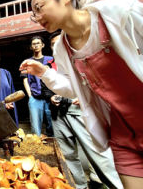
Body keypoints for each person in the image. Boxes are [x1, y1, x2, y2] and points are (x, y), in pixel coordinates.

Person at [20, 0, 143, 189]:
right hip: (125, 136)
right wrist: (44, 72)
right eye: (34, 14)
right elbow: (73, 88)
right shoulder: (62, 48)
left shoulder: (118, 13)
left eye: (39, 8)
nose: (38, 17)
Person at [48, 33, 123, 189]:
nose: (56, 47)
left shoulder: (81, 58)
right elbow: (47, 88)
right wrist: (52, 96)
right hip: (58, 114)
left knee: (97, 153)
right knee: (67, 154)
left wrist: (85, 97)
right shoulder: (51, 64)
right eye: (53, 44)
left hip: (78, 110)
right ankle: (79, 185)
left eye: (58, 43)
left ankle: (116, 185)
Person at [21, 36, 54, 137]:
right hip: (35, 97)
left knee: (52, 125)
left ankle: (53, 147)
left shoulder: (50, 59)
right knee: (35, 128)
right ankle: (38, 146)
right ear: (31, 47)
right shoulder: (27, 62)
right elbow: (25, 79)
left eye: (38, 43)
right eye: (33, 44)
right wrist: (30, 95)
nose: (36, 45)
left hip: (50, 97)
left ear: (42, 45)